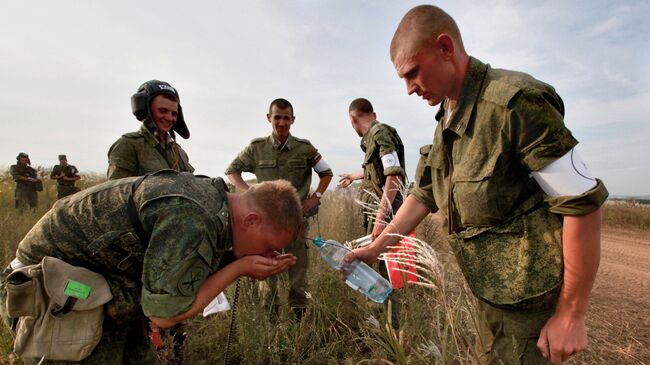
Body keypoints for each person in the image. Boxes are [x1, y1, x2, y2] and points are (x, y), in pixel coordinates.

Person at [344, 5, 609, 365]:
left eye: (413, 73)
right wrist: (376, 248)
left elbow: (581, 203)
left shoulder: (515, 103)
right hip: (489, 299)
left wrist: (571, 315)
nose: (408, 89)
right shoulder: (447, 118)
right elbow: (423, 195)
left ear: (445, 48)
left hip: (529, 312)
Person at [0, 170, 302, 364]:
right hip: (53, 293)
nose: (270, 253)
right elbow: (164, 313)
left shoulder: (216, 205)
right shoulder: (192, 218)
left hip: (101, 294)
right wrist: (241, 268)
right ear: (251, 220)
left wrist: (241, 260)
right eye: (268, 246)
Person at [225, 98, 333, 320]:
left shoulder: (305, 148)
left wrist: (314, 198)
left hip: (296, 223)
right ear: (269, 118)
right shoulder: (256, 148)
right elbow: (232, 171)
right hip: (264, 227)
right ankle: (270, 321)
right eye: (277, 117)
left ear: (293, 120)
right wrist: (249, 194)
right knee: (266, 275)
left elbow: (327, 173)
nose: (282, 122)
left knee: (298, 275)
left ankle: (297, 322)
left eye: (286, 118)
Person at [338, 98, 406, 329]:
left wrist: (380, 220)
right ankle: (382, 327)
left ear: (353, 119)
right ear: (372, 113)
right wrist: (354, 176)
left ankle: (390, 332)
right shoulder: (374, 136)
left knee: (383, 273)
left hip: (384, 216)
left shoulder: (379, 133)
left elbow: (393, 175)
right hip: (379, 214)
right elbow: (376, 170)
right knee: (376, 270)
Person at [107, 80, 194, 180]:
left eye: (174, 114)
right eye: (163, 111)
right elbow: (117, 192)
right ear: (147, 111)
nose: (169, 118)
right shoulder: (128, 145)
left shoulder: (179, 152)